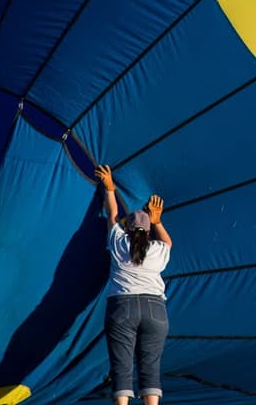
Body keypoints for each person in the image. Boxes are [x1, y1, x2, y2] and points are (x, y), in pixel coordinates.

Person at [95, 165, 173, 405]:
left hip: (122, 307)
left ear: (127, 229)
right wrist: (157, 221)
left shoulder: (118, 241)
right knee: (150, 369)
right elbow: (168, 242)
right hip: (155, 310)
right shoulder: (158, 250)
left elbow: (112, 214)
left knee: (122, 368)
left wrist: (110, 187)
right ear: (148, 233)